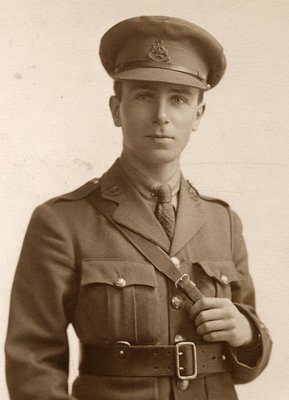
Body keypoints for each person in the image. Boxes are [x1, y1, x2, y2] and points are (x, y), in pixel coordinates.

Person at [5, 15, 272, 400]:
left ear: (198, 115)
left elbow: (248, 364)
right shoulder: (62, 221)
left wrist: (246, 334)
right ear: (117, 109)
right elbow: (32, 360)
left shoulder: (223, 222)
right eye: (145, 95)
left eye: (179, 99)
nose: (161, 116)